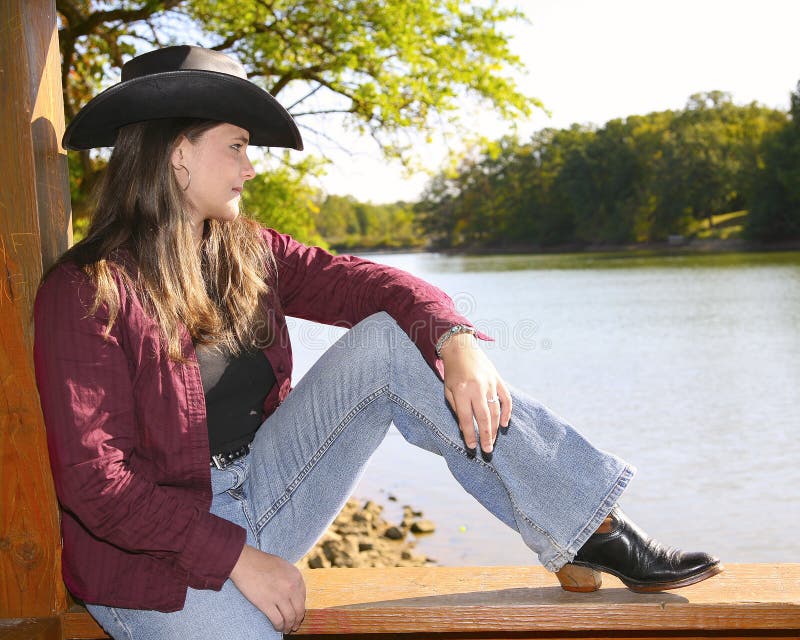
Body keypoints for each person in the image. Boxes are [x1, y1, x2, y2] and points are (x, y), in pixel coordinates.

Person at [33, 46, 721, 640]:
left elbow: (371, 285)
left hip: (269, 489)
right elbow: (98, 486)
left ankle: (588, 527)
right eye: (236, 146)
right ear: (179, 156)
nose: (251, 166)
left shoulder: (248, 252)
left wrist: (456, 342)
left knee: (392, 343)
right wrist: (238, 558)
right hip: (150, 560)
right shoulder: (86, 291)